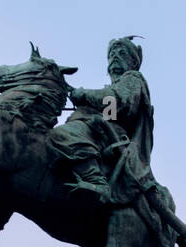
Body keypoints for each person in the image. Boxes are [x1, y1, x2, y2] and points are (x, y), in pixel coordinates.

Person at [49, 36, 155, 203]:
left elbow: (118, 101)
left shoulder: (133, 78)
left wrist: (83, 94)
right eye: (112, 54)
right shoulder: (113, 86)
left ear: (133, 63)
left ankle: (96, 182)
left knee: (63, 134)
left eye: (121, 53)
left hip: (114, 136)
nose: (115, 57)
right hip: (103, 129)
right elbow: (110, 113)